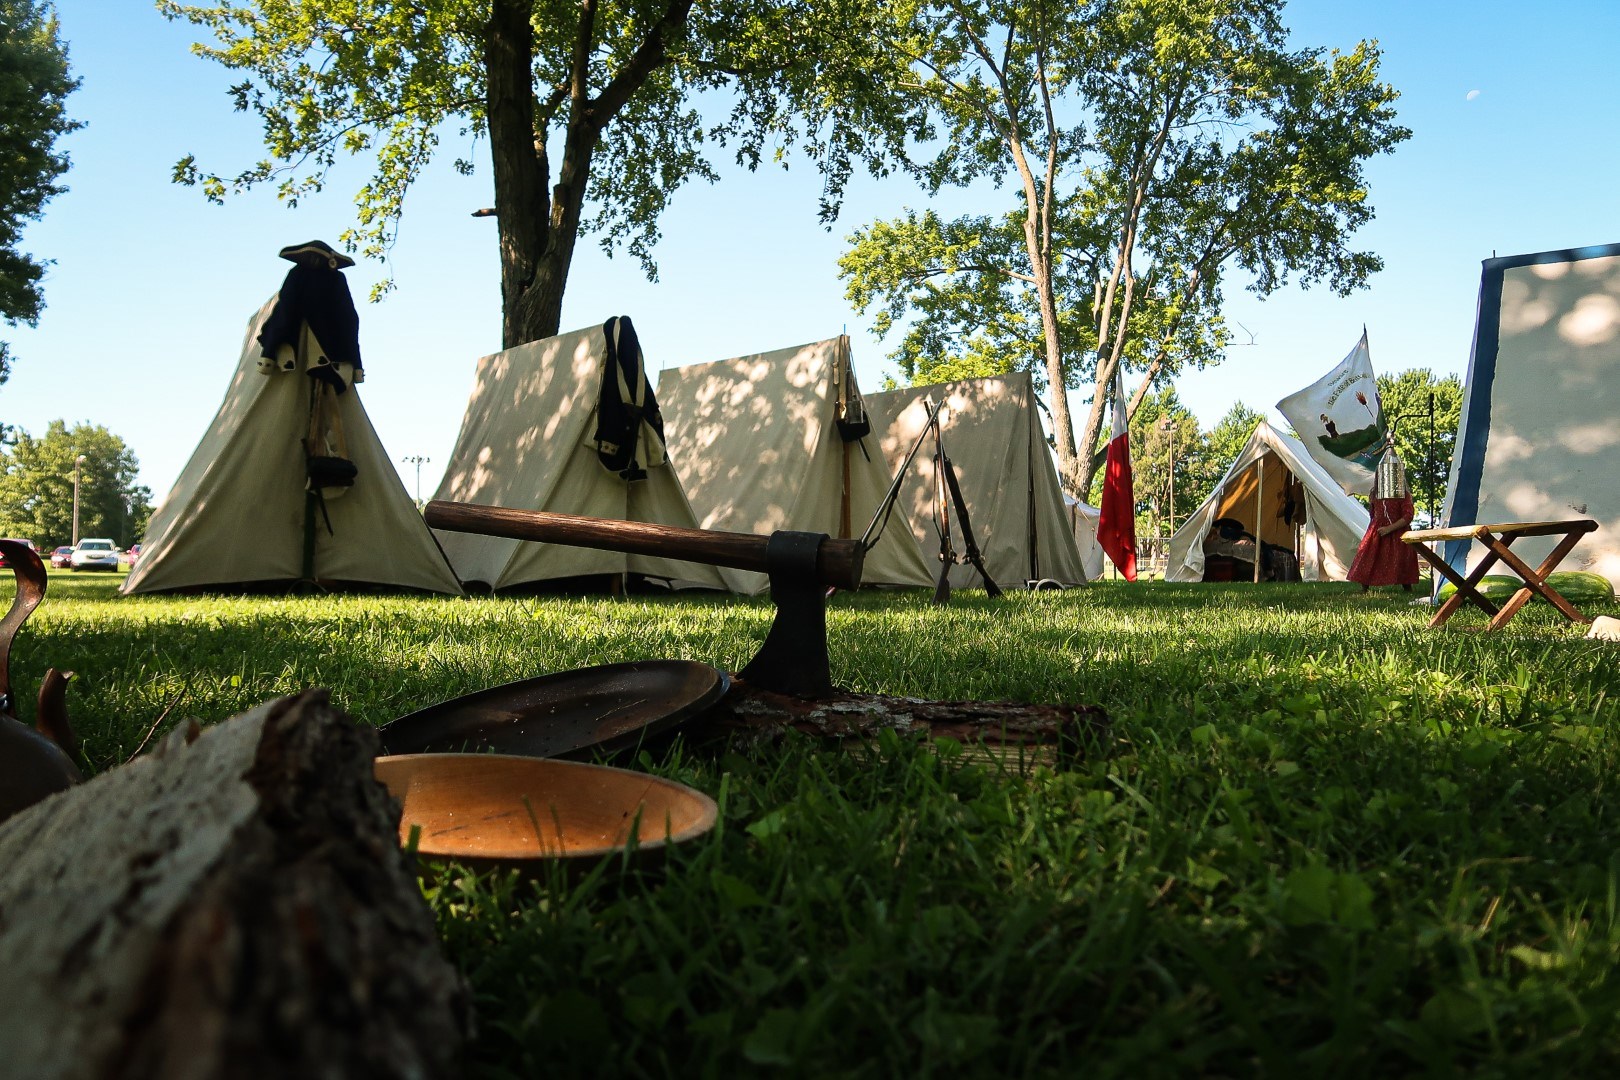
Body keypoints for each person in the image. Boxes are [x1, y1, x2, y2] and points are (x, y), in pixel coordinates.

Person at [1348, 443, 1420, 591]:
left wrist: (1390, 528)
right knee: (1368, 557)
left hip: (1398, 532)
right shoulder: (1375, 494)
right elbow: (1373, 514)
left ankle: (1407, 587)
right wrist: (1378, 528)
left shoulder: (1403, 495)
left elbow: (1408, 516)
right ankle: (1365, 587)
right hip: (1377, 531)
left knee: (1401, 559)